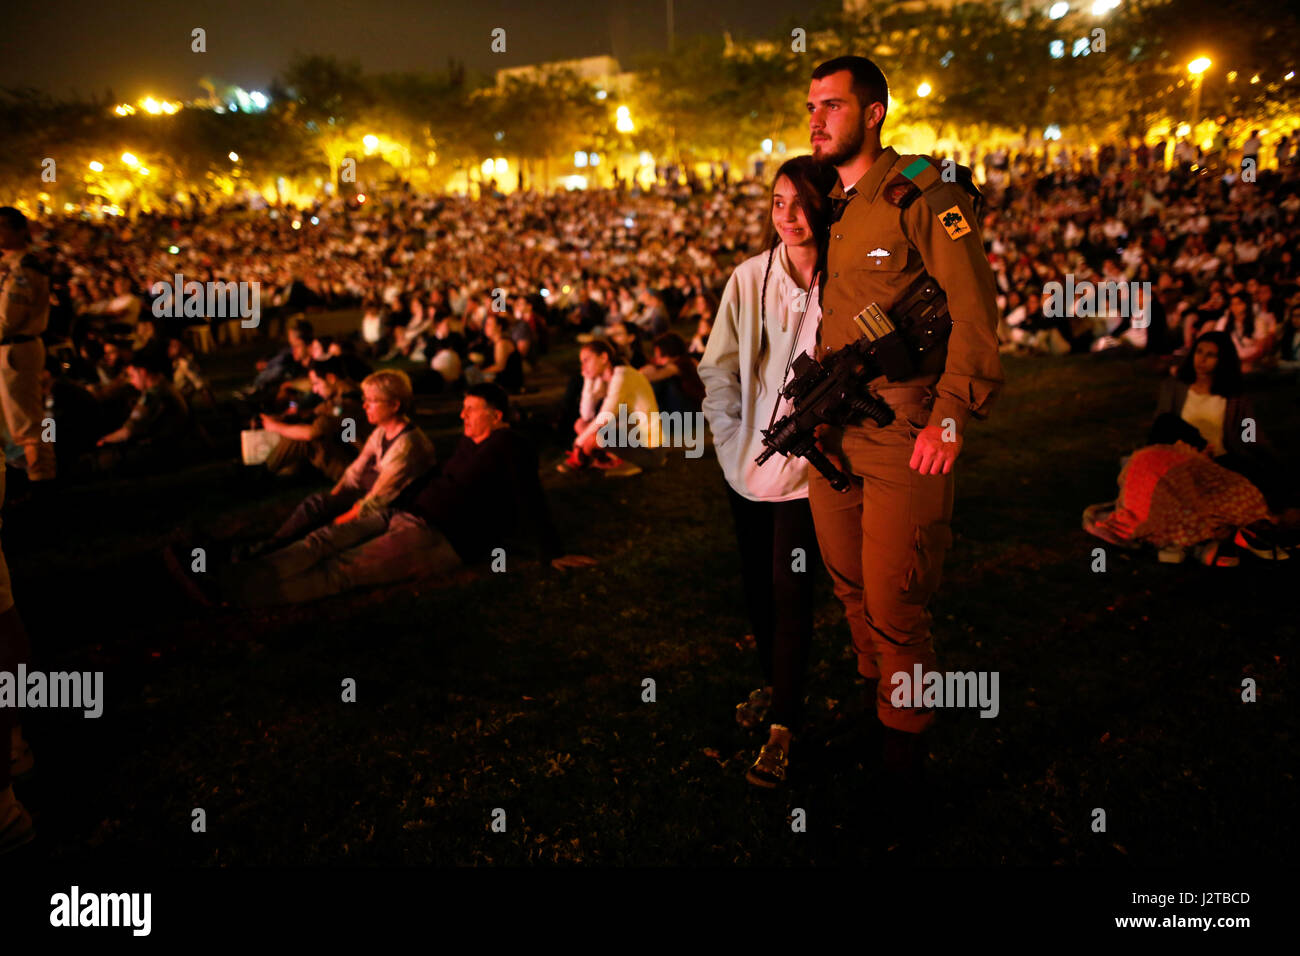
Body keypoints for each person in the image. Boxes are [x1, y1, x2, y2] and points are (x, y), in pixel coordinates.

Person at [804, 56, 1004, 808]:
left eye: (832, 105)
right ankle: (878, 717)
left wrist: (952, 413)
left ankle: (903, 774)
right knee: (852, 590)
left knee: (896, 603)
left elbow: (974, 311)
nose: (817, 118)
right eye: (811, 107)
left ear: (875, 111)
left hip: (905, 427)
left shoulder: (924, 191)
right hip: (839, 429)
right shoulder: (844, 206)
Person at [700, 154, 837, 788]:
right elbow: (718, 367)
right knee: (758, 587)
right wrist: (729, 439)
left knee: (792, 591)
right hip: (744, 465)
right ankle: (774, 683)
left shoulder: (847, 285)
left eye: (801, 203)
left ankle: (784, 726)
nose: (789, 216)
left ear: (826, 205)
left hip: (808, 475)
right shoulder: (749, 278)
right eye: (778, 203)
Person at [1155, 331, 1284, 506]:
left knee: (1259, 476)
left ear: (1222, 360)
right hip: (1183, 454)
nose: (1202, 359)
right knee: (1167, 422)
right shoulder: (1174, 388)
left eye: (1211, 355)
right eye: (1199, 352)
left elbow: (1251, 435)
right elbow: (1162, 427)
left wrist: (1269, 457)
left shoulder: (1237, 399)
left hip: (1219, 458)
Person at [0, 207, 56, 485]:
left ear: (20, 231)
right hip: (9, 348)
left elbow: (8, 318)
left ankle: (41, 481)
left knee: (28, 424)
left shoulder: (24, 269)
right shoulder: (9, 266)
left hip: (15, 350)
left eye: (3, 227)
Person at [557, 340, 655, 477]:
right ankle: (610, 458)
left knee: (594, 437)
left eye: (586, 360)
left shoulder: (623, 375)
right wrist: (588, 380)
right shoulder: (606, 378)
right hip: (630, 434)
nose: (583, 367)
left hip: (650, 449)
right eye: (581, 362)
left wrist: (578, 444)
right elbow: (586, 414)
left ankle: (622, 461)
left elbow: (605, 416)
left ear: (603, 358)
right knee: (581, 424)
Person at [259, 357, 367, 481]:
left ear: (331, 378)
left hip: (356, 467)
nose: (315, 389)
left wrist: (275, 426)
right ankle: (268, 470)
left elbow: (311, 433)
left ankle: (263, 472)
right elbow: (320, 411)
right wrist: (287, 417)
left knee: (302, 438)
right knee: (296, 428)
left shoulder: (346, 404)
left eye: (316, 383)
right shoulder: (346, 393)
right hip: (349, 455)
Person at [640, 332, 705, 416]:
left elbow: (651, 375)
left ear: (670, 354)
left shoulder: (682, 364)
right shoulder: (685, 361)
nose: (657, 360)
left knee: (664, 383)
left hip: (693, 411)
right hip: (687, 409)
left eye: (659, 356)